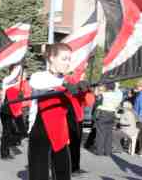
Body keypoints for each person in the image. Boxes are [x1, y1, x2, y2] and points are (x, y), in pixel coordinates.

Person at [27, 43, 91, 180]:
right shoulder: (39, 76)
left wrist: (84, 91)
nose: (68, 63)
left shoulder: (68, 80)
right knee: (39, 173)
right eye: (64, 59)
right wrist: (65, 87)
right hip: (40, 129)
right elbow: (38, 84)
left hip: (60, 131)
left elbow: (85, 103)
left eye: (69, 59)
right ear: (51, 58)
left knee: (63, 171)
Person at [94, 82, 123, 156]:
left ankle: (99, 151)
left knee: (101, 133)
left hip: (103, 113)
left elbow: (97, 104)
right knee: (109, 133)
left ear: (107, 87)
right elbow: (118, 105)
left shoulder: (103, 95)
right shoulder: (117, 96)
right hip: (112, 114)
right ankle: (107, 151)